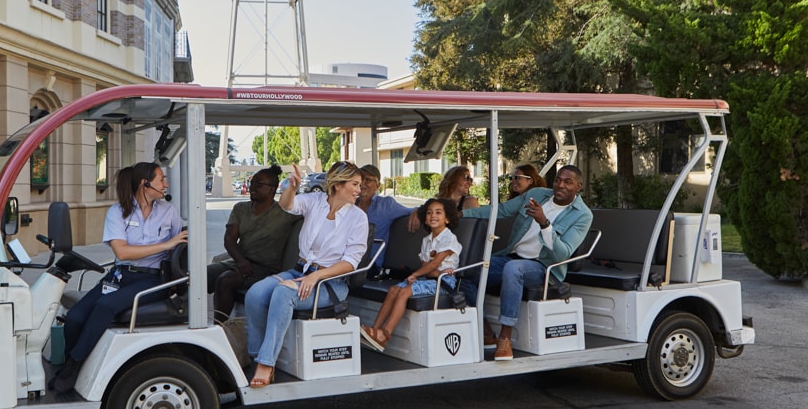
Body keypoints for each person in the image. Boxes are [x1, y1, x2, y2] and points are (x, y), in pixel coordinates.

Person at [54, 162, 187, 393]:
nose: (165, 184)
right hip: (119, 276)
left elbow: (181, 246)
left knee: (105, 306)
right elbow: (122, 252)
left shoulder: (169, 211)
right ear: (145, 184)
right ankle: (73, 360)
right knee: (75, 317)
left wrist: (172, 248)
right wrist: (165, 244)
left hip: (153, 279)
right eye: (161, 180)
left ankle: (72, 368)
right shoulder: (118, 212)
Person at [243, 161, 369, 388]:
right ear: (338, 185)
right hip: (300, 271)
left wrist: (316, 277)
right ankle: (256, 355)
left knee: (283, 294)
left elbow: (351, 262)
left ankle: (266, 363)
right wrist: (292, 187)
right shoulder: (315, 201)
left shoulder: (358, 217)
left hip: (331, 283)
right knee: (255, 293)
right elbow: (286, 205)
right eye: (355, 184)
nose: (360, 190)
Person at [463, 164, 592, 361]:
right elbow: (502, 210)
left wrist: (544, 223)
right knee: (468, 270)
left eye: (568, 182)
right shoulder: (538, 194)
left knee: (513, 269)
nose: (560, 185)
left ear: (579, 186)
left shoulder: (582, 214)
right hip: (513, 257)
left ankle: (505, 336)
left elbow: (562, 255)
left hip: (544, 268)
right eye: (558, 179)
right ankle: (487, 331)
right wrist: (459, 215)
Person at [360, 198, 461, 351]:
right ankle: (375, 330)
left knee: (404, 292)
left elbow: (433, 264)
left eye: (438, 213)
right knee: (394, 290)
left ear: (447, 218)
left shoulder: (449, 238)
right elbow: (427, 267)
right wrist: (429, 272)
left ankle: (385, 334)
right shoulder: (427, 240)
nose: (433, 216)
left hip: (444, 283)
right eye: (429, 213)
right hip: (430, 278)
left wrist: (419, 274)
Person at [206, 165, 299, 324]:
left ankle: (219, 327)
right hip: (239, 261)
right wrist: (241, 261)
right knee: (199, 275)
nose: (252, 187)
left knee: (225, 280)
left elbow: (316, 209)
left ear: (272, 189)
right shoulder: (240, 208)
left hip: (265, 268)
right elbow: (229, 239)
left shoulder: (285, 211)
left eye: (258, 184)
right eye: (252, 182)